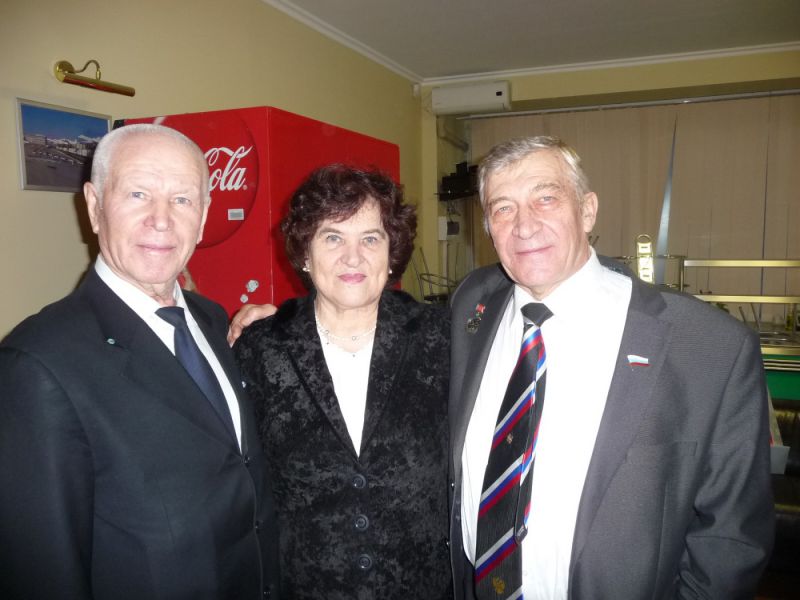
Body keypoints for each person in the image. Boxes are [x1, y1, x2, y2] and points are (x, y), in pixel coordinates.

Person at [449, 135, 774, 599]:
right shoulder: (472, 305)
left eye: (545, 198)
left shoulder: (708, 347)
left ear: (587, 210)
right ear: (488, 228)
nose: (524, 225)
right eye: (503, 208)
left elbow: (731, 540)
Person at [0, 124, 280, 599]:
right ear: (94, 207)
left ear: (204, 216)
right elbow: (42, 574)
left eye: (182, 199)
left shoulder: (213, 320)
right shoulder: (37, 365)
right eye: (137, 194)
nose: (161, 220)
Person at [233, 164, 452, 599]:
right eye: (333, 238)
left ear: (391, 253)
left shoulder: (442, 338)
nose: (353, 257)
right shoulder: (260, 348)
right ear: (305, 254)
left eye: (370, 238)